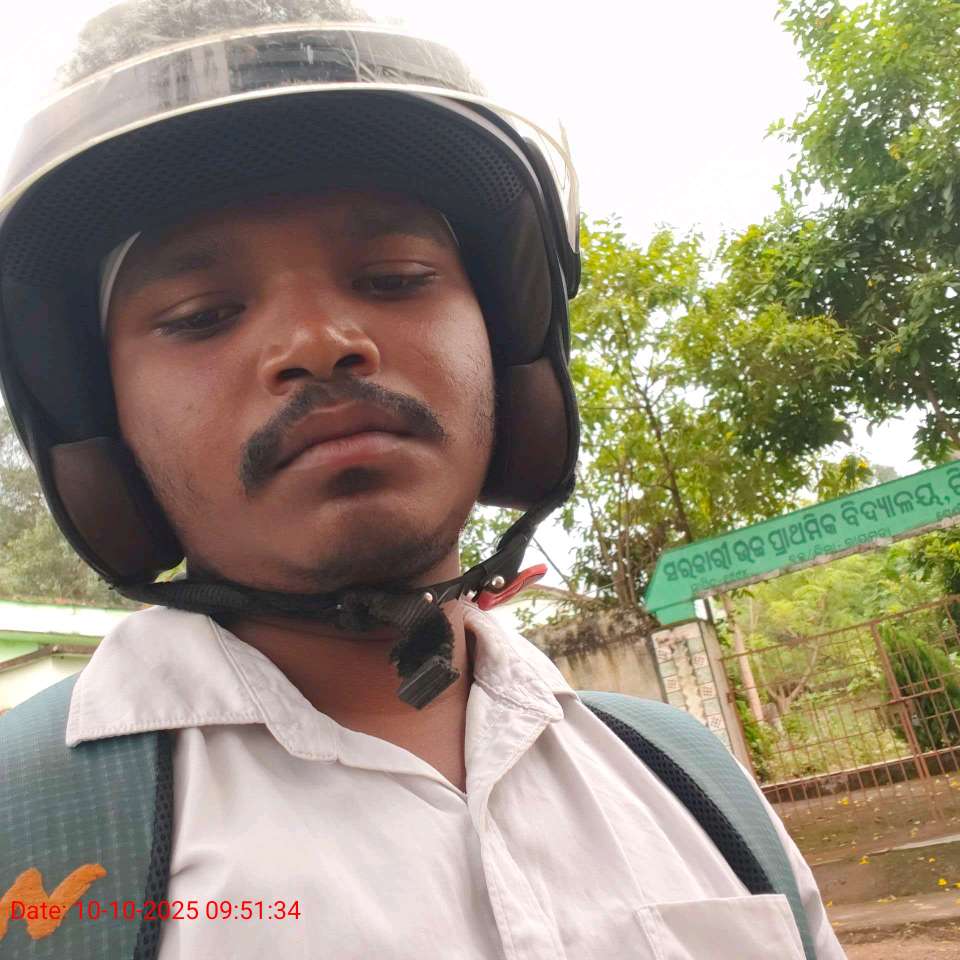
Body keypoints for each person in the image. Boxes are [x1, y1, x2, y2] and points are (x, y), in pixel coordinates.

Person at [0, 2, 845, 958]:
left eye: (397, 277)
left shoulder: (697, 791)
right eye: (201, 314)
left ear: (510, 345)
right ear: (97, 421)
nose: (319, 343)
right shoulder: (29, 838)